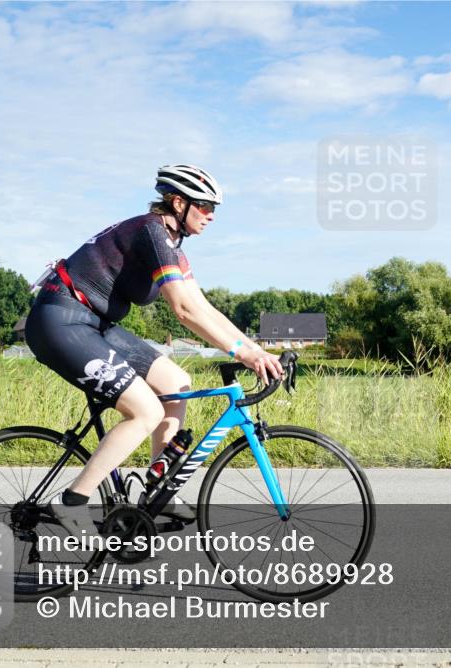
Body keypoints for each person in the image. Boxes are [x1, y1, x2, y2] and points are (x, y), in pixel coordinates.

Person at [25, 164, 282, 538]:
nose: (212, 216)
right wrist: (242, 354)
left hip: (93, 323)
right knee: (145, 410)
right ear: (178, 203)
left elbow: (205, 307)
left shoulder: (172, 247)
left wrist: (259, 352)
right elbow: (184, 310)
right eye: (205, 206)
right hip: (60, 320)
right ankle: (72, 502)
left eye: (215, 209)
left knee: (176, 381)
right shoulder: (153, 232)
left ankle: (159, 486)